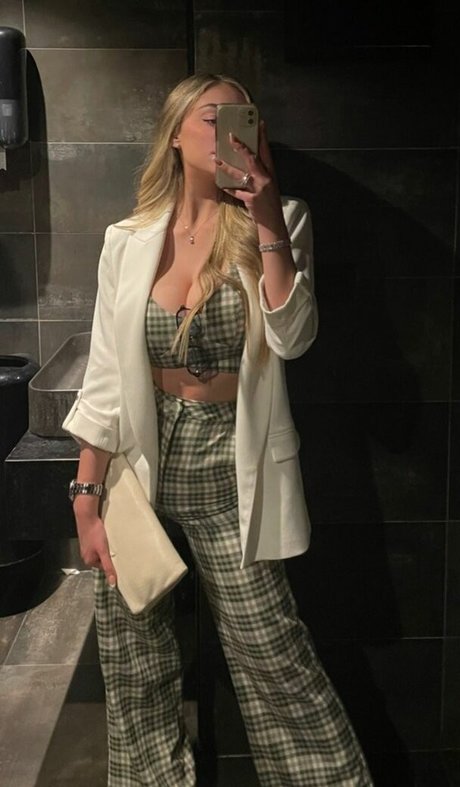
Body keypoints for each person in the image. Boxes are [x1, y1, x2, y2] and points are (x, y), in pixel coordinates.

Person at [63, 73, 373, 786]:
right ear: (175, 134)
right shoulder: (127, 239)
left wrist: (264, 216)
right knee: (133, 658)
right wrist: (86, 493)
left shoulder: (282, 218)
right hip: (139, 465)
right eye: (212, 117)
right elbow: (107, 373)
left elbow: (294, 336)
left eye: (243, 116)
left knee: (272, 652)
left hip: (231, 461)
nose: (230, 129)